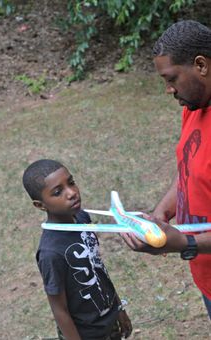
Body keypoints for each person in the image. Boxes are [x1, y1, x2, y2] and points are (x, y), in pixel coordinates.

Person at [121, 20, 211, 319]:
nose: (168, 89)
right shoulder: (195, 105)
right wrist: (162, 212)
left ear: (201, 65)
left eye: (171, 78)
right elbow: (189, 167)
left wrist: (184, 243)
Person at [22, 159, 132, 340]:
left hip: (109, 320)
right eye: (58, 192)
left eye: (71, 183)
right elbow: (59, 309)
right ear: (40, 205)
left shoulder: (82, 218)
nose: (72, 193)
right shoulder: (51, 253)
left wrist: (119, 308)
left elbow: (98, 270)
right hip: (85, 334)